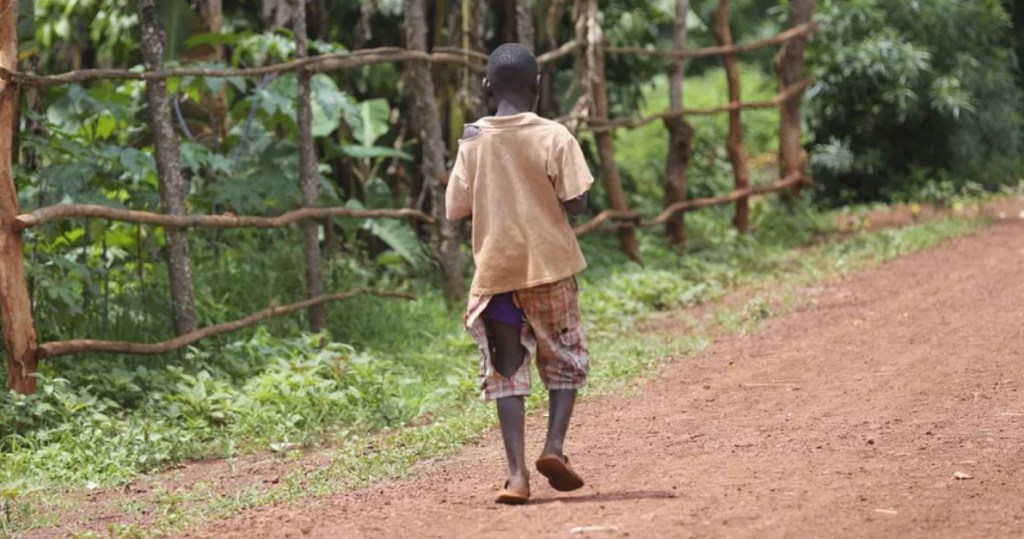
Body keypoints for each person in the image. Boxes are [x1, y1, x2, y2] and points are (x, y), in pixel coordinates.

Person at [446, 43, 594, 505]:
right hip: (550, 268)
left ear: (487, 86)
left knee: (506, 371)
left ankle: (515, 476)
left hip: (497, 274)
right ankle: (554, 448)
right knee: (564, 357)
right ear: (537, 85)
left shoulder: (472, 140)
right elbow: (578, 202)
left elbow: (457, 207)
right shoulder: (555, 136)